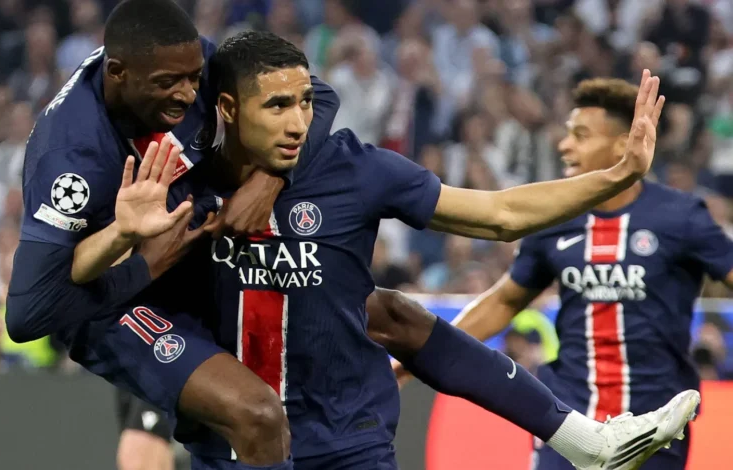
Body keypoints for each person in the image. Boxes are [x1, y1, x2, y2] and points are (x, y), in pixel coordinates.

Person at [148, 30, 696, 470]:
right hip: (232, 448)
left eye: (305, 102)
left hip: (350, 441)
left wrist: (618, 175)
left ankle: (585, 441)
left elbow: (502, 214)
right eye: (277, 106)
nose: (297, 123)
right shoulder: (180, 184)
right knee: (389, 312)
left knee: (393, 312)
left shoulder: (356, 169)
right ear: (227, 108)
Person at [5, 1, 340, 469]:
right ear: (118, 73)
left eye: (194, 78)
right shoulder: (71, 159)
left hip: (197, 256)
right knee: (257, 415)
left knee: (369, 315)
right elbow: (28, 314)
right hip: (118, 302)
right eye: (168, 83)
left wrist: (268, 182)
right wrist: (137, 257)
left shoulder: (187, 61)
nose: (187, 95)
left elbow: (319, 98)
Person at [393, 77, 731, 470]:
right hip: (568, 422)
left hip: (657, 425)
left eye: (580, 135)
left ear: (623, 144)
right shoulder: (552, 217)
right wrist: (417, 357)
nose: (564, 145)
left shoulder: (682, 216)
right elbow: (503, 302)